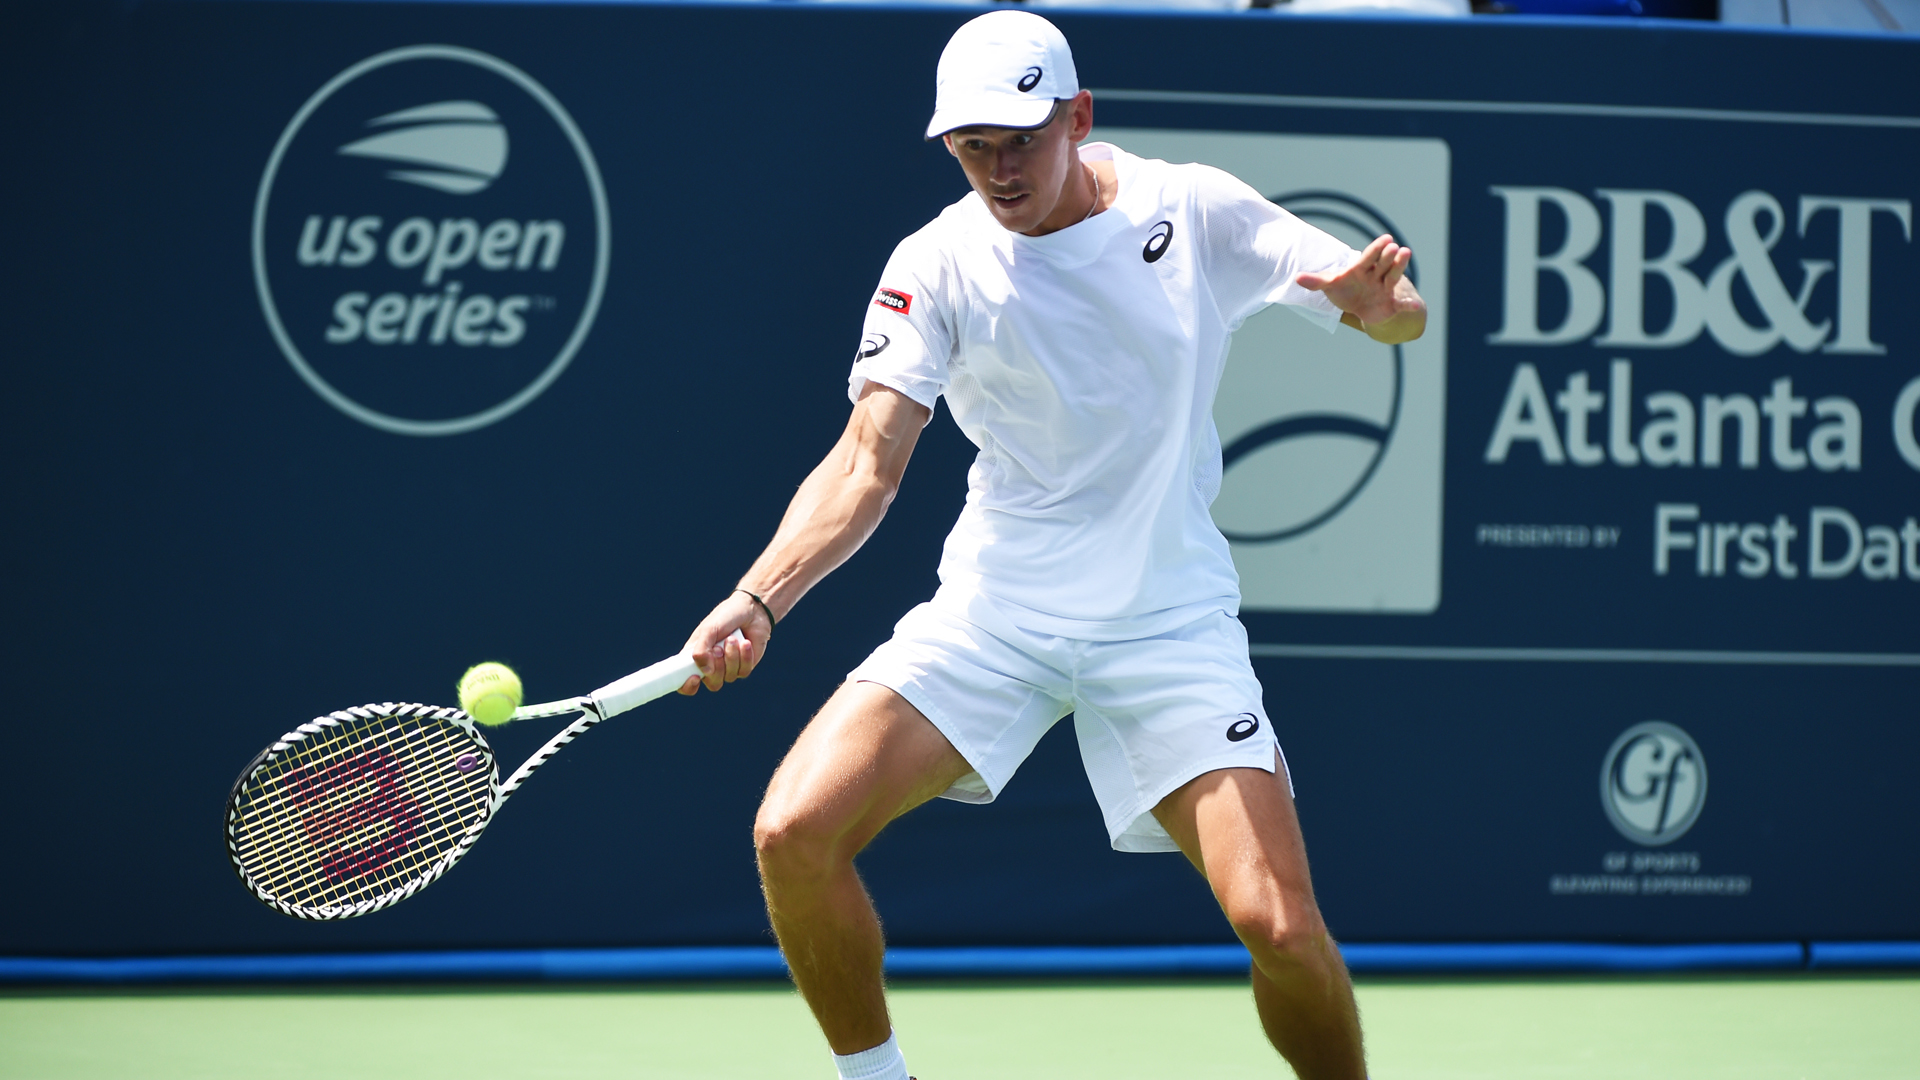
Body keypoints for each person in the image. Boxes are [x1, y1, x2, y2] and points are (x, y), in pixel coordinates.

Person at [675, 11, 1424, 1079]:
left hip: (1167, 625)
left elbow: (1396, 313)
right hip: (997, 617)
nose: (999, 170)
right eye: (972, 146)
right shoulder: (935, 263)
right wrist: (759, 597)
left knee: (1282, 928)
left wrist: (1382, 308)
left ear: (1078, 116)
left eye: (1020, 140)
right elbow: (864, 464)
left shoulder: (1192, 208)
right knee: (792, 833)